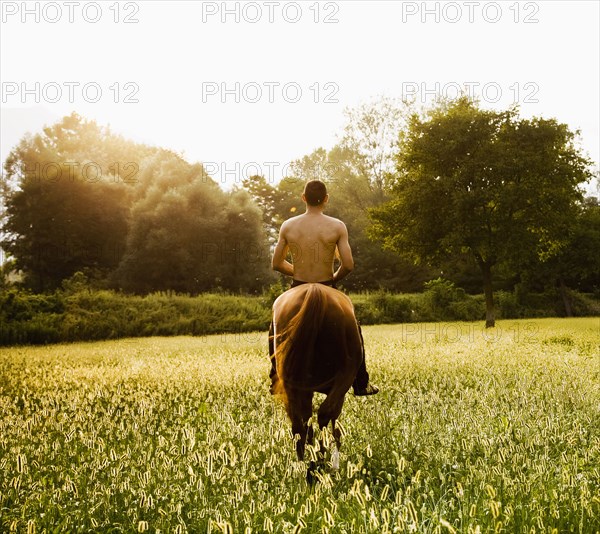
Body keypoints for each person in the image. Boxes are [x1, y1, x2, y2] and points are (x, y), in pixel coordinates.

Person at [269, 179, 379, 396]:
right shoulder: (337, 226)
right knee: (354, 327)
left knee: (275, 325)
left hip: (299, 283)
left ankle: (275, 376)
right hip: (327, 284)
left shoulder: (289, 226)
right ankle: (361, 381)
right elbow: (348, 265)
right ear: (326, 199)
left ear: (303, 198)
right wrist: (333, 278)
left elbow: (276, 264)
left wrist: (299, 272)